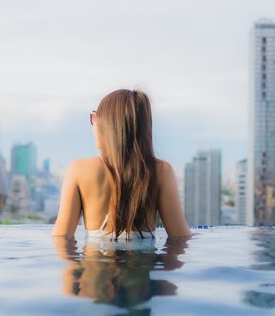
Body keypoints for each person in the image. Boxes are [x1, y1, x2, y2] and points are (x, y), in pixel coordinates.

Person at [51, 89, 191, 238]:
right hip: (144, 261)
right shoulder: (161, 171)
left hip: (94, 261)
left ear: (107, 124)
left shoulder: (78, 170)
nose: (93, 125)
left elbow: (61, 237)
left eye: (95, 118)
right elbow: (180, 237)